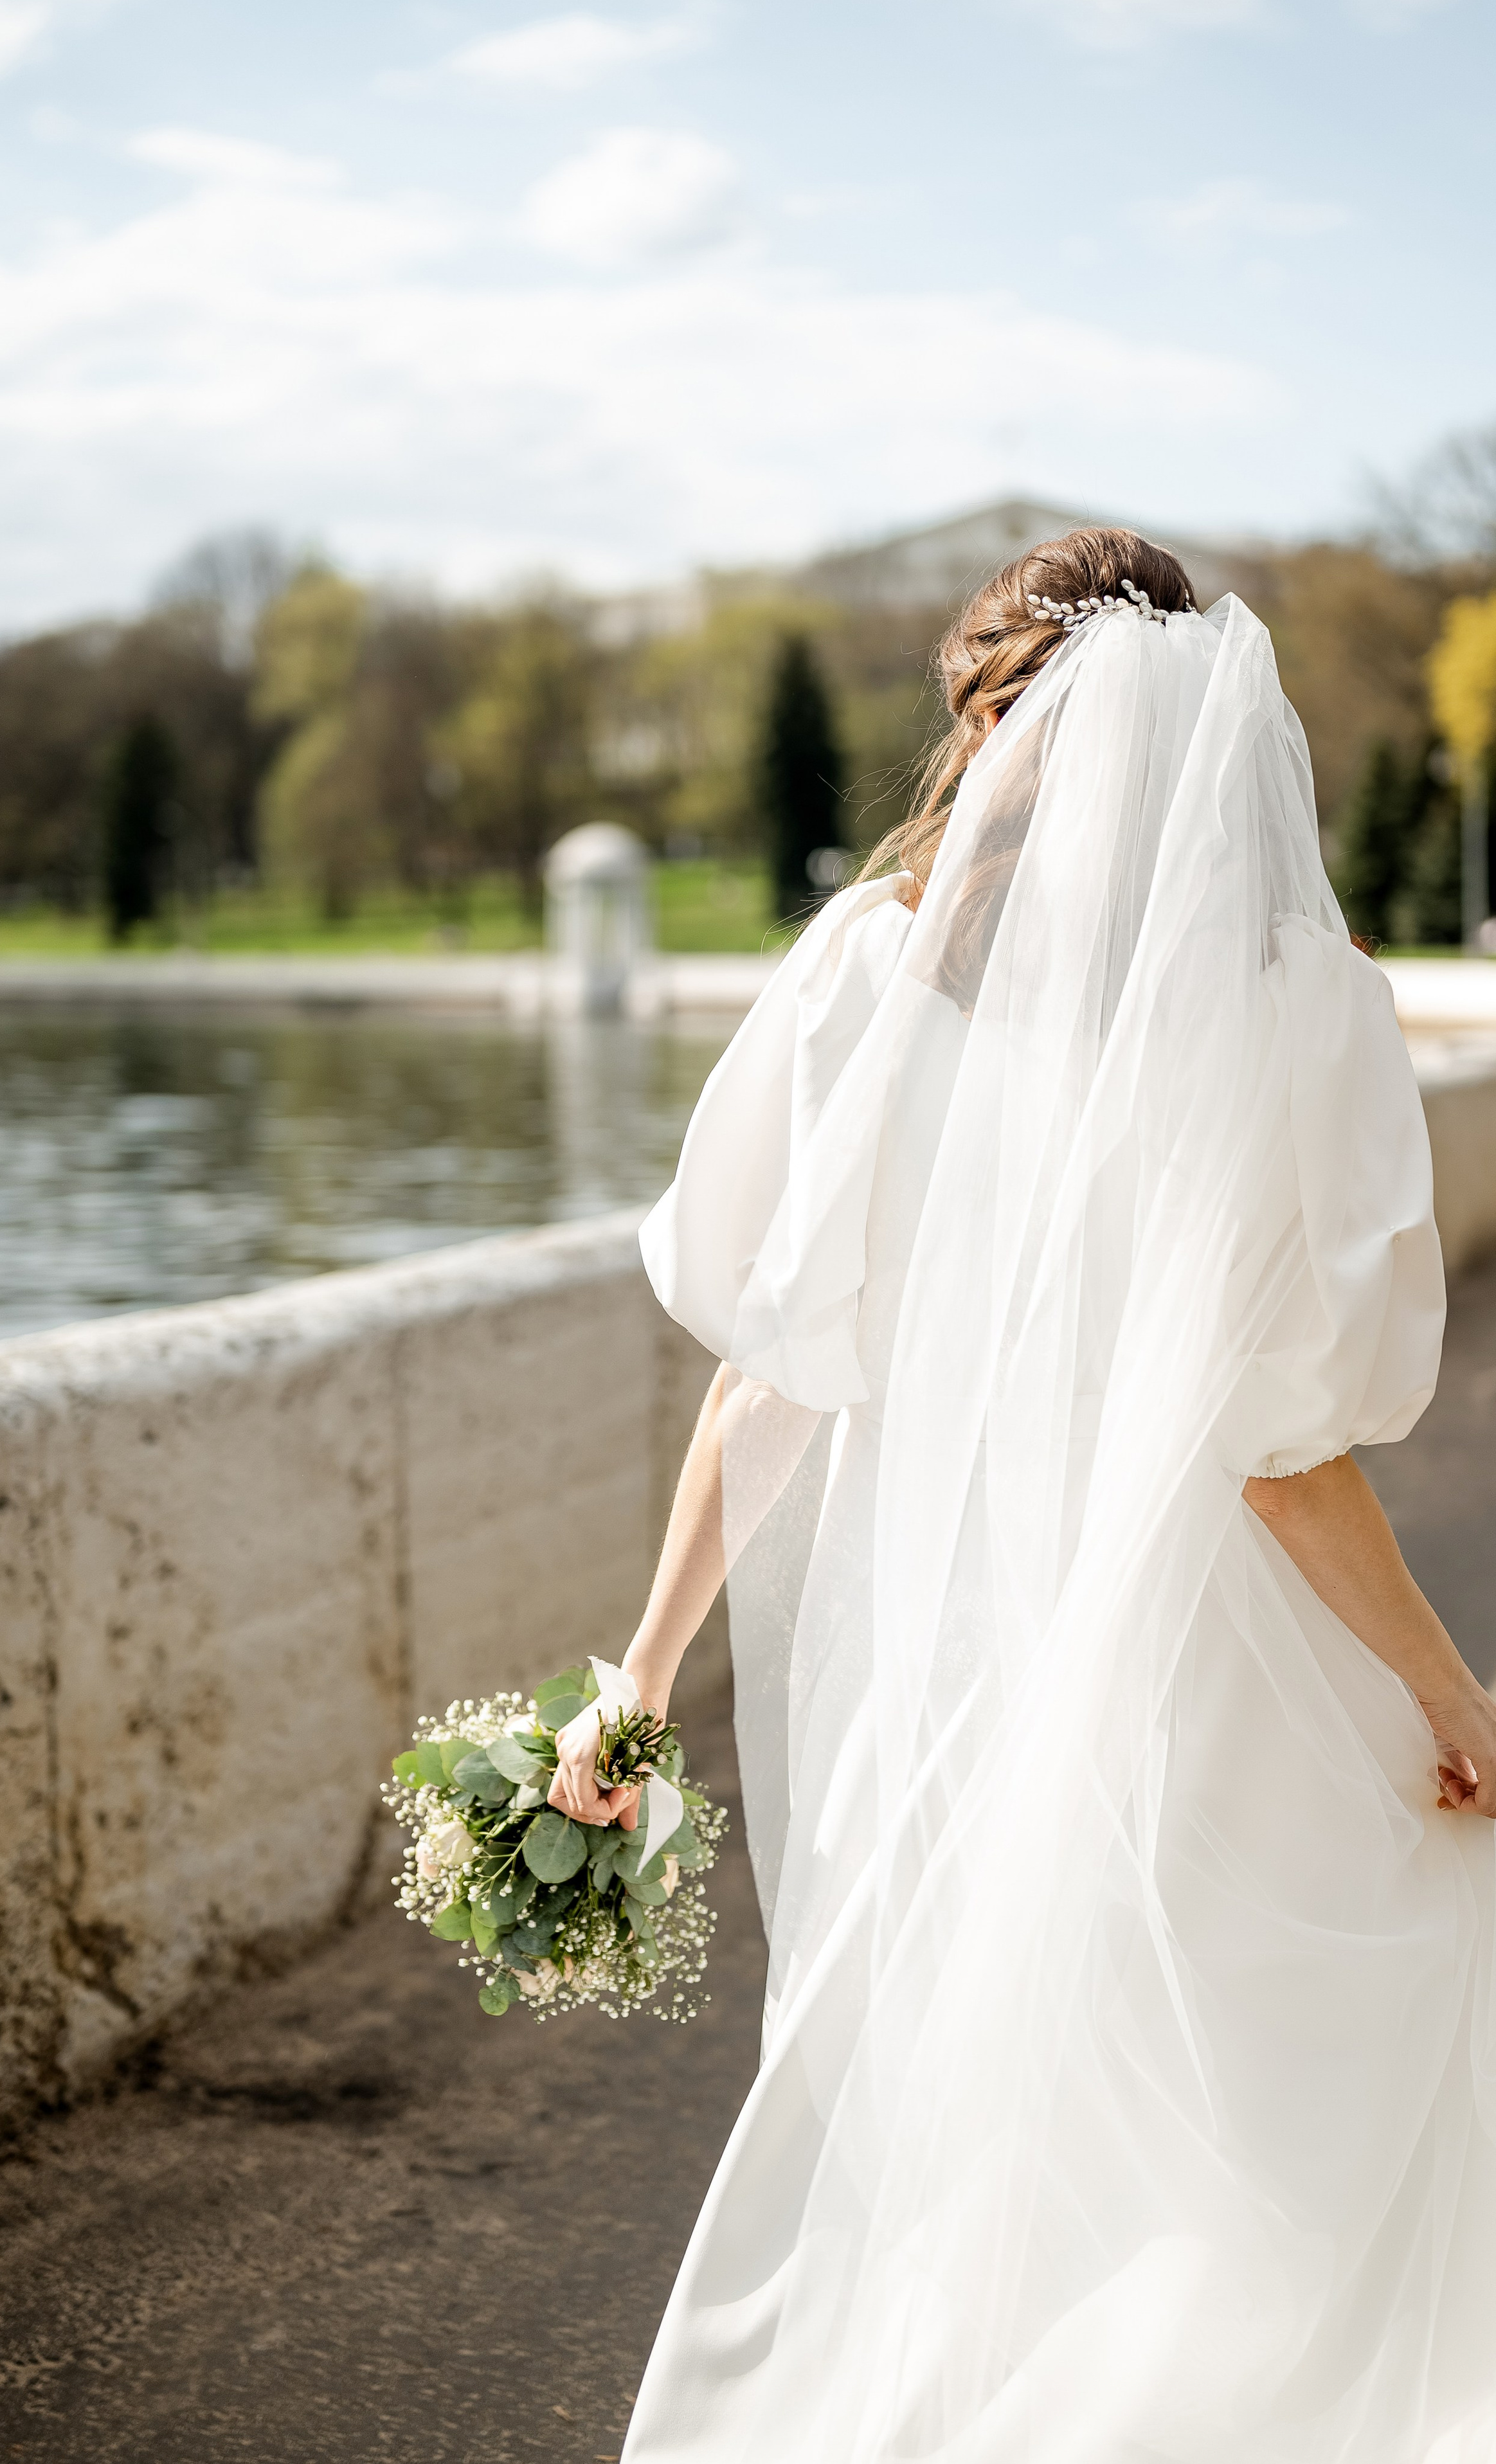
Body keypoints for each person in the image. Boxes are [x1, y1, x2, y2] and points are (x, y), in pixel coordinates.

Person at [550, 529, 1496, 2463]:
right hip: (1211, 1670)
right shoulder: (1303, 1009)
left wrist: (639, 1677)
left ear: (989, 711)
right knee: (1260, 2139)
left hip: (951, 1653)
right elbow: (1291, 1457)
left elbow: (770, 1385)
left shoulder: (863, 982)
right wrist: (1449, 1693)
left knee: (984, 2134)